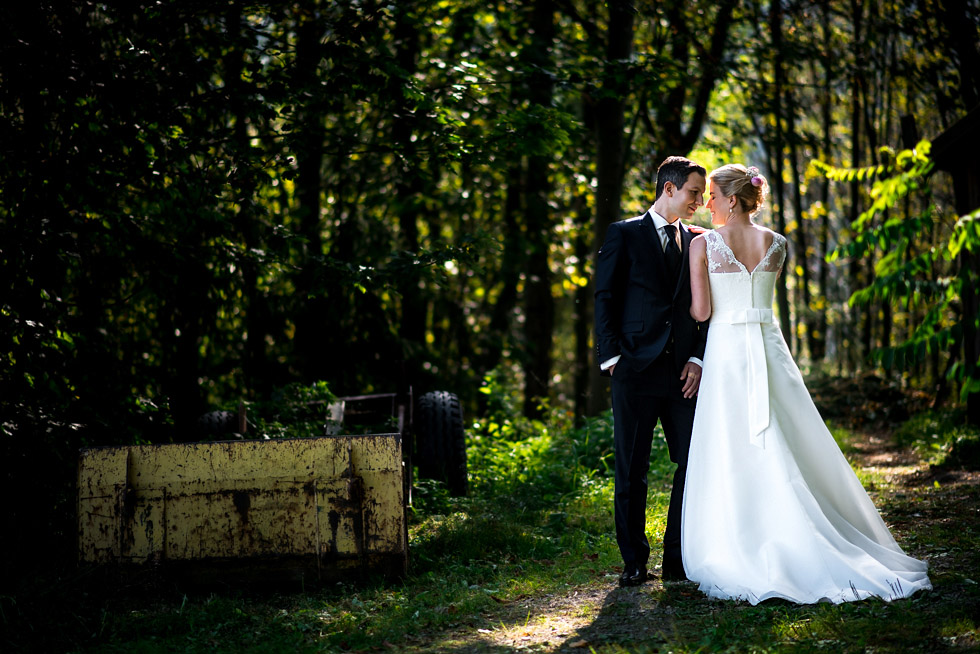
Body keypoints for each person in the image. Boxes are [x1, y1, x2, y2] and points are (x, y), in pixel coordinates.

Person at [681, 163, 932, 604]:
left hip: (728, 352)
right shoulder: (778, 244)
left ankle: (748, 534)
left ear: (732, 200)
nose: (708, 205)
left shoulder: (703, 244)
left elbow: (701, 313)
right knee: (785, 434)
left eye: (714, 198)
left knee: (733, 440)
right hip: (768, 345)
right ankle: (806, 525)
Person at [594, 155, 709, 587]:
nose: (700, 200)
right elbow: (604, 296)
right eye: (694, 192)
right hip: (634, 371)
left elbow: (708, 311)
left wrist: (698, 359)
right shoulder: (624, 234)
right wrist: (612, 359)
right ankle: (634, 561)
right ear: (669, 189)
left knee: (692, 463)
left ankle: (676, 558)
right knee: (631, 468)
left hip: (684, 375)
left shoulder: (700, 240)